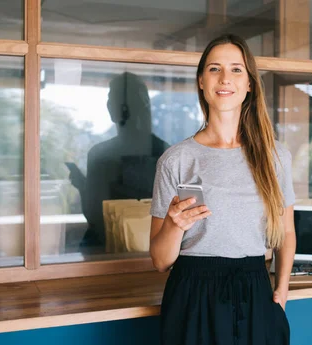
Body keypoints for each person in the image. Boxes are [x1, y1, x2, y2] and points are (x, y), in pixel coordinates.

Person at [149, 34, 296, 345]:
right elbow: (160, 261)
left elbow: (286, 232)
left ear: (250, 84)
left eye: (237, 69)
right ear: (201, 81)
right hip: (192, 294)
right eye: (214, 69)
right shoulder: (175, 160)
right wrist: (174, 226)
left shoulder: (275, 157)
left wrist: (281, 291)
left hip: (255, 290)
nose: (225, 78)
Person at [69, 72, 169, 251]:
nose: (107, 104)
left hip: (109, 253)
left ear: (123, 108)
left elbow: (94, 217)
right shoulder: (165, 151)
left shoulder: (101, 155)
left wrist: (83, 187)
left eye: (111, 98)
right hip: (154, 252)